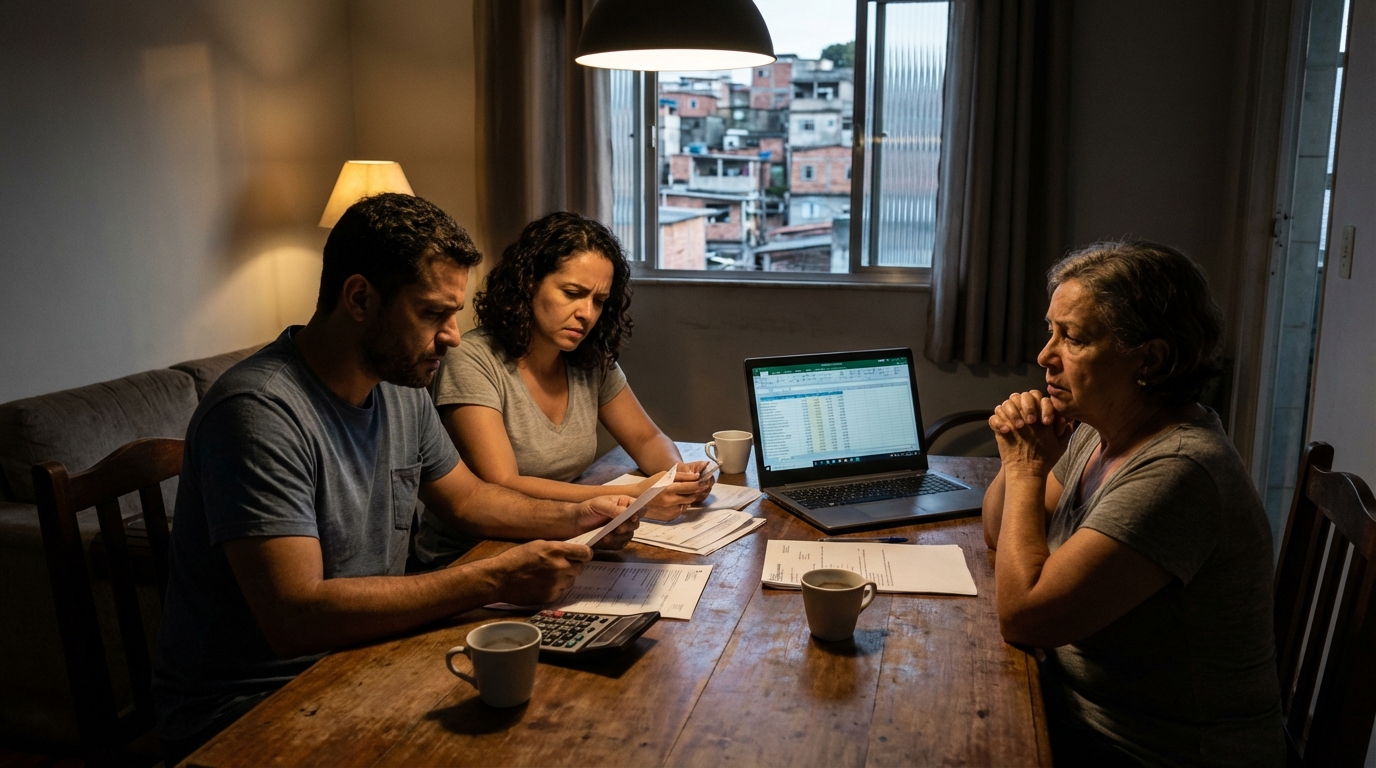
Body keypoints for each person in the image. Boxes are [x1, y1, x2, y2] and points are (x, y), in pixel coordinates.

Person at [152, 194, 639, 763]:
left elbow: (470, 499)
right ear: (359, 298)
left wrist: (582, 517)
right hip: (251, 706)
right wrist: (491, 580)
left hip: (360, 657)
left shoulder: (398, 387)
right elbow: (295, 615)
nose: (454, 335)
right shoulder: (259, 411)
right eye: (434, 313)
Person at [980, 241, 1283, 767]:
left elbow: (1025, 617)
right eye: (1050, 331)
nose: (1044, 356)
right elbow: (998, 532)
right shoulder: (1098, 431)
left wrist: (1028, 467)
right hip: (1084, 712)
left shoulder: (1180, 470)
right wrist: (1024, 463)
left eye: (1071, 338)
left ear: (1151, 358)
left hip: (1152, 749)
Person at [414, 211, 714, 567]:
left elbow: (647, 439)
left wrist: (674, 478)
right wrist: (635, 495)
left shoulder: (590, 360)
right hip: (473, 556)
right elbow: (503, 482)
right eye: (572, 293)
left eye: (599, 301)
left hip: (567, 537)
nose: (586, 313)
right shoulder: (472, 359)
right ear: (528, 284)